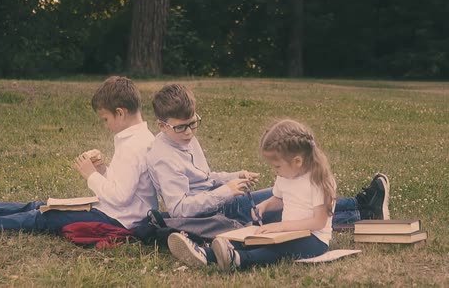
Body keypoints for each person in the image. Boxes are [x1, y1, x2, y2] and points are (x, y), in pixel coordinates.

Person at [146, 84, 389, 267]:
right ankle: (364, 208)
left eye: (193, 124)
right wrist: (226, 191)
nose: (189, 132)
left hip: (222, 199)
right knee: (286, 211)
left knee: (294, 205)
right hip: (212, 210)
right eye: (182, 127)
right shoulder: (163, 157)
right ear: (162, 126)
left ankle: (363, 207)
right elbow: (179, 209)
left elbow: (205, 176)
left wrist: (233, 176)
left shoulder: (184, 138)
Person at [0, 76, 158, 233]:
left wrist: (91, 175)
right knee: (43, 204)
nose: (106, 125)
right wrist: (102, 170)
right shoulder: (137, 139)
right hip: (113, 210)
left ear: (120, 112)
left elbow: (121, 198)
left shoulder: (134, 146)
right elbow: (125, 187)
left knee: (45, 216)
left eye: (105, 119)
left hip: (119, 220)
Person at [210, 119, 336, 271]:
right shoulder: (285, 176)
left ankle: (239, 260)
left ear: (297, 161)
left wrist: (281, 227)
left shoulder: (318, 180)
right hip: (288, 233)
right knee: (256, 238)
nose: (274, 170)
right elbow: (279, 199)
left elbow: (318, 222)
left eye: (277, 166)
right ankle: (208, 254)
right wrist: (264, 206)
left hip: (313, 239)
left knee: (278, 251)